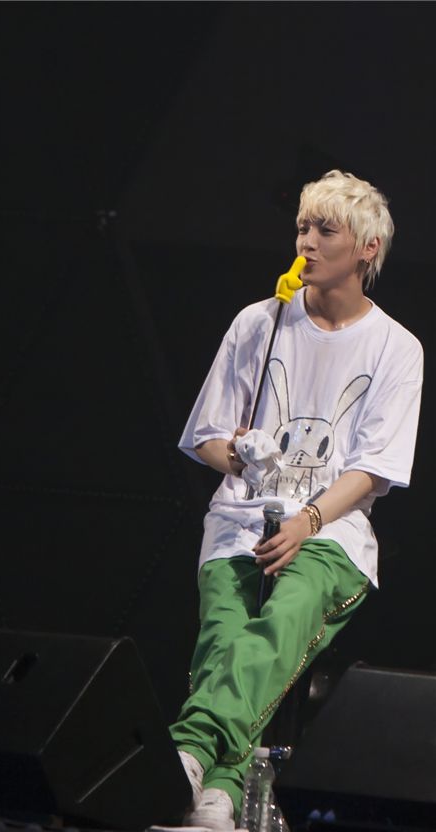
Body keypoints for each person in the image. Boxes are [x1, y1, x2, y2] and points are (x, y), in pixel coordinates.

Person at [169, 170, 423, 829]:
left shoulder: (396, 349)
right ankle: (217, 803)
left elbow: (373, 467)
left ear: (366, 249)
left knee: (281, 623)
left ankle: (193, 750)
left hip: (330, 536)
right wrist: (240, 454)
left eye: (324, 230)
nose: (305, 242)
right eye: (300, 229)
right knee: (225, 644)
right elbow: (205, 435)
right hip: (236, 524)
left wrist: (307, 521)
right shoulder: (258, 323)